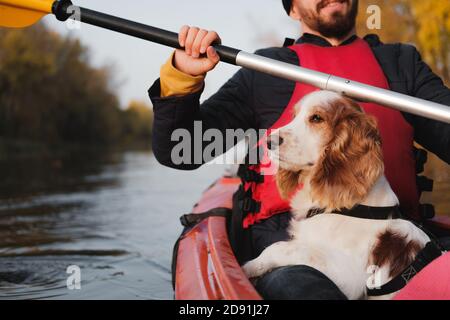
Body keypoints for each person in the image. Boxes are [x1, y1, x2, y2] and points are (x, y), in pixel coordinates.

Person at [149, 0, 450, 299]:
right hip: (293, 249)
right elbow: (179, 147)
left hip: (395, 245)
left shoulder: (401, 63)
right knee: (300, 289)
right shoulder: (265, 70)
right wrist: (182, 76)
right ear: (292, 9)